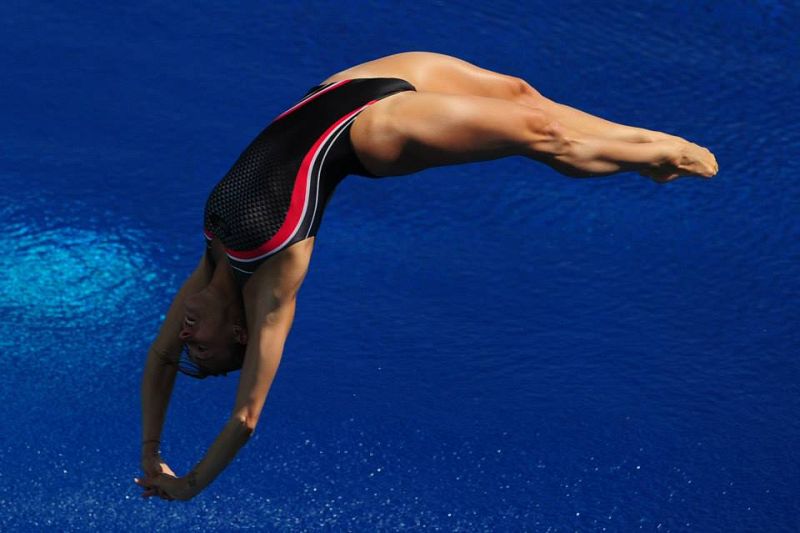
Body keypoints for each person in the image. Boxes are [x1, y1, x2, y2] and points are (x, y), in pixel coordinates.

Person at [134, 51, 718, 500]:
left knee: (521, 94)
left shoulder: (211, 260)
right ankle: (657, 156)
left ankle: (645, 146)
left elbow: (159, 363)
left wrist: (150, 452)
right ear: (237, 336)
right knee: (543, 135)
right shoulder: (271, 281)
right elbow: (245, 417)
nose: (184, 336)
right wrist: (190, 483)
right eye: (201, 351)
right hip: (375, 133)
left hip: (341, 88)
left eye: (186, 343)